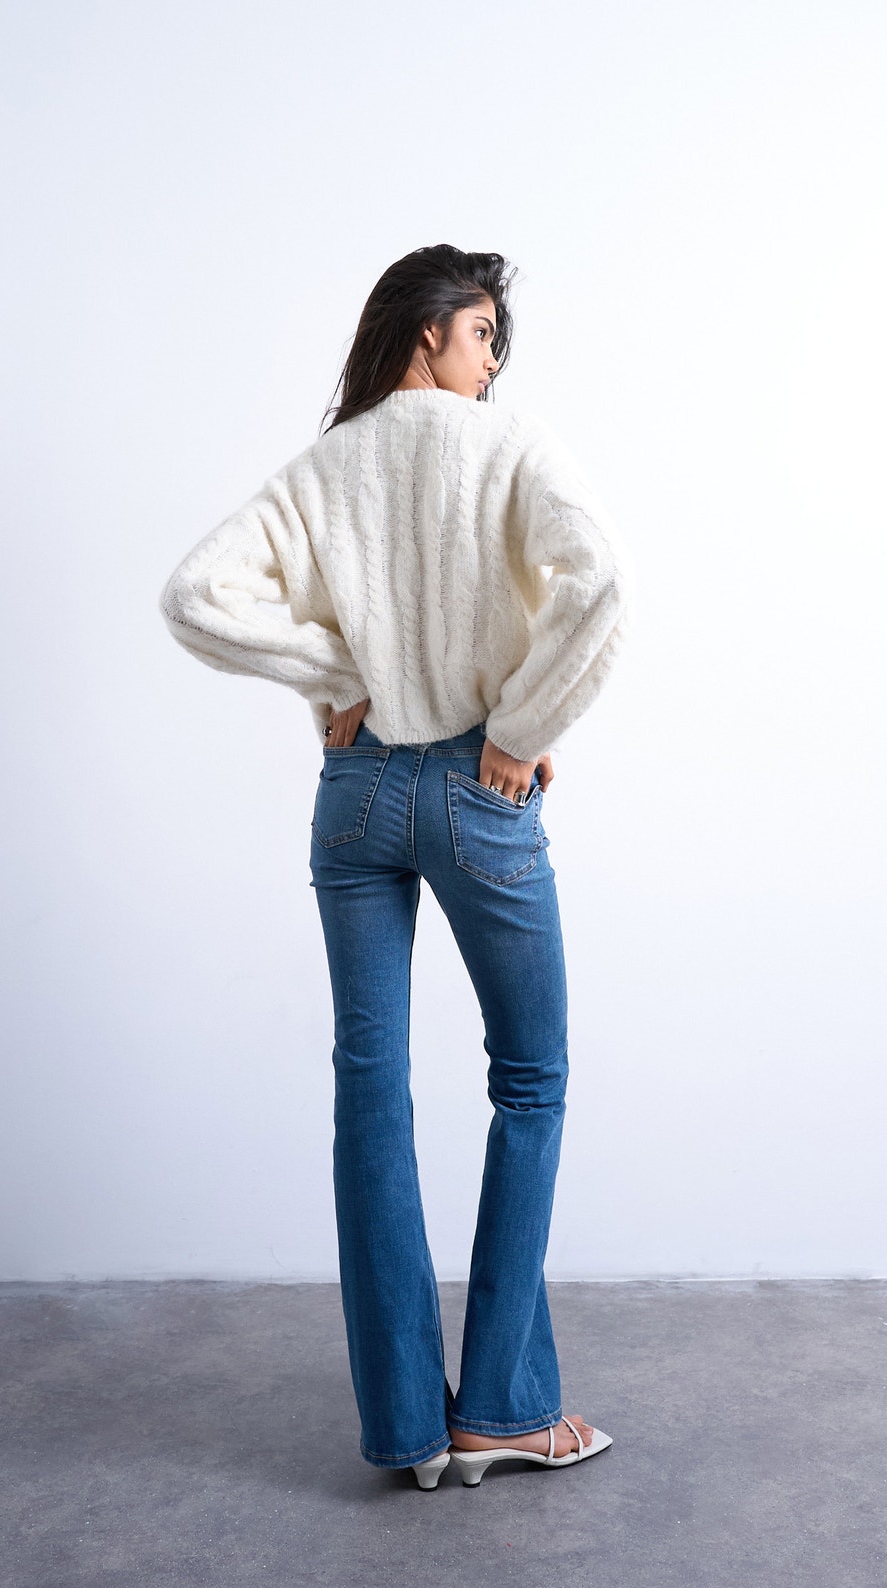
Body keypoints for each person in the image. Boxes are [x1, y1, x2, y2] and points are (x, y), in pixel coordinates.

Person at [159, 244, 633, 1489]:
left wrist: (338, 676)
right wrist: (520, 729)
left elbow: (195, 594)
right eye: (479, 332)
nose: (492, 359)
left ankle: (410, 1430)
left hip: (357, 796)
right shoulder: (509, 446)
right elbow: (602, 583)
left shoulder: (326, 467)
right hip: (479, 790)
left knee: (370, 1089)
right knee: (529, 1080)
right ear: (427, 330)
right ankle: (503, 1409)